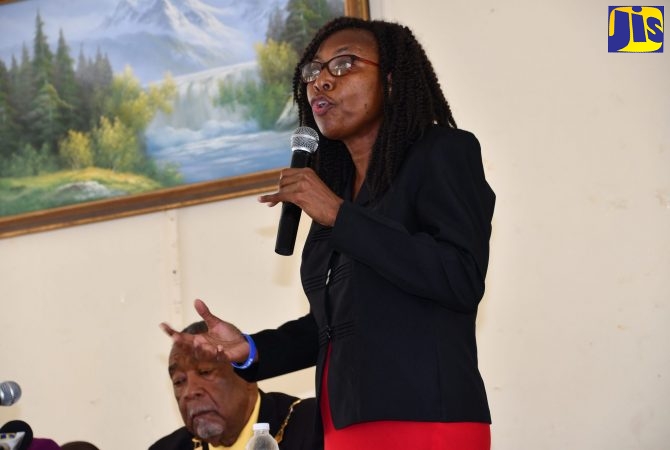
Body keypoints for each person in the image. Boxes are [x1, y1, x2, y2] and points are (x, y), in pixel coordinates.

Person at [162, 16, 495, 450]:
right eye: (313, 70)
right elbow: (329, 327)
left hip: (425, 418)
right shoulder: (337, 191)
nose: (321, 81)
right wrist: (248, 349)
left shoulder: (442, 153)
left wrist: (340, 216)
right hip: (342, 425)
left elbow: (460, 277)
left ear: (391, 80)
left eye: (343, 64)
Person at [150, 321, 321, 450]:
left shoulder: (315, 426)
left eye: (205, 372)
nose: (190, 391)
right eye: (179, 381)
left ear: (246, 375)